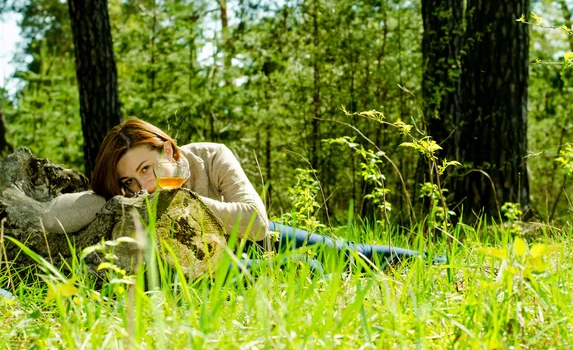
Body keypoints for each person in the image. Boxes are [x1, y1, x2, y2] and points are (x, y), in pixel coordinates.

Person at [42, 119, 442, 275]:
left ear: (170, 151)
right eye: (129, 180)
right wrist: (106, 197)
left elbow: (257, 221)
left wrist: (188, 200)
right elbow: (49, 216)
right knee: (306, 268)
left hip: (254, 236)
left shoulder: (210, 156)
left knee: (346, 252)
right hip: (209, 260)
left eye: (146, 169)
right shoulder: (130, 198)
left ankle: (438, 263)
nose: (142, 186)